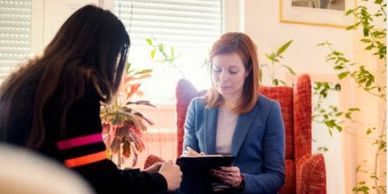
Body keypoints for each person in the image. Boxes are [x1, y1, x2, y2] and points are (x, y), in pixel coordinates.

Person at [0, 5, 182, 194]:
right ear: (107, 55)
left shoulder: (26, 79)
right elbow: (98, 181)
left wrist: (143, 176)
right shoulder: (75, 88)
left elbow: (87, 167)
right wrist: (161, 181)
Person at [182, 32, 285, 194]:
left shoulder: (268, 110)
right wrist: (192, 161)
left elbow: (276, 176)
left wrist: (242, 180)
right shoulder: (197, 107)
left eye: (233, 71)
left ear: (248, 70)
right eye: (217, 70)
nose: (223, 78)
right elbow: (185, 165)